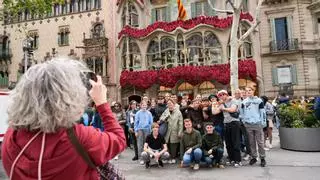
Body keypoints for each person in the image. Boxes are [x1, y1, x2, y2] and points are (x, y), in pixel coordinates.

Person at [1, 58, 126, 180]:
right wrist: (101, 102)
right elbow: (119, 140)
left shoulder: (11, 138)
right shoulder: (80, 137)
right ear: (69, 96)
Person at [241, 87, 267, 167]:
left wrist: (263, 122)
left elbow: (262, 112)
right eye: (247, 91)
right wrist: (244, 121)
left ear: (253, 91)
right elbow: (242, 112)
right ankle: (254, 157)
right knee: (251, 142)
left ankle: (262, 158)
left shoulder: (259, 101)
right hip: (248, 124)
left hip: (257, 123)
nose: (248, 92)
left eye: (250, 90)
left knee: (260, 142)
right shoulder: (244, 102)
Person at [217, 90, 242, 167]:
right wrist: (217, 105)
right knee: (228, 143)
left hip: (234, 123)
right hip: (226, 124)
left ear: (226, 94)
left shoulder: (233, 101)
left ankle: (237, 160)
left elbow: (233, 109)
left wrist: (223, 108)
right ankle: (231, 159)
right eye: (220, 95)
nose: (221, 96)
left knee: (236, 142)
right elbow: (215, 112)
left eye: (223, 94)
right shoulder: (221, 103)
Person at [159, 99, 183, 164]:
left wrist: (180, 132)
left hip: (175, 131)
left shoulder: (178, 112)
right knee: (167, 144)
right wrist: (166, 117)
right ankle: (167, 157)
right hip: (167, 131)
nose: (169, 105)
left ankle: (173, 157)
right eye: (168, 103)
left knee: (173, 145)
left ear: (173, 104)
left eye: (171, 103)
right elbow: (161, 119)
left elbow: (181, 123)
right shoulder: (166, 111)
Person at [134, 100, 153, 165]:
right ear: (140, 106)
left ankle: (147, 157)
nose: (144, 106)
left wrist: (150, 130)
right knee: (140, 144)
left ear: (146, 106)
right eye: (143, 105)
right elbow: (136, 123)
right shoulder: (138, 113)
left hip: (147, 130)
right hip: (140, 129)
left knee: (147, 144)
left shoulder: (149, 113)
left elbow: (151, 123)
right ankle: (141, 158)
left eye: (145, 105)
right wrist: (136, 131)